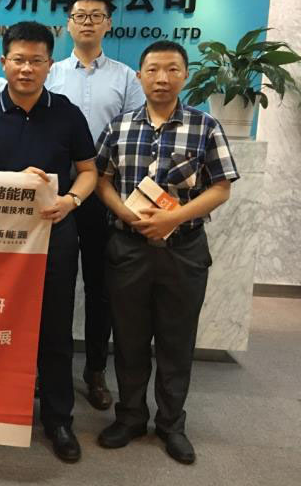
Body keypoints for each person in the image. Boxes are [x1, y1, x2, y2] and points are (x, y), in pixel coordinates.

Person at [94, 41, 239, 465]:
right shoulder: (119, 126)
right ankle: (130, 417)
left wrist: (173, 218)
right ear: (139, 75)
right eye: (153, 69)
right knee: (129, 339)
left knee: (177, 340)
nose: (162, 78)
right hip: (128, 248)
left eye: (172, 69)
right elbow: (101, 179)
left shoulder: (205, 126)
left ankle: (172, 424)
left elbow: (221, 187)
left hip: (184, 250)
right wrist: (126, 213)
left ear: (185, 75)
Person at [0, 21, 97, 463]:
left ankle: (58, 419)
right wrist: (14, 181)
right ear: (3, 62)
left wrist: (72, 200)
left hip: (54, 234)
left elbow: (89, 170)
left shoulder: (67, 113)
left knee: (55, 329)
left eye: (36, 61)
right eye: (18, 59)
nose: (26, 68)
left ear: (49, 65)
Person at [45, 0, 145, 410]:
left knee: (101, 287)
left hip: (104, 192)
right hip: (56, 196)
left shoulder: (126, 78)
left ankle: (95, 370)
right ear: (68, 23)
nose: (87, 22)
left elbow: (137, 133)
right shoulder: (50, 73)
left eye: (95, 15)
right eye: (79, 15)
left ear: (109, 23)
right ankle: (49, 369)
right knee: (55, 285)